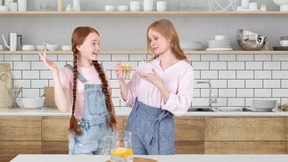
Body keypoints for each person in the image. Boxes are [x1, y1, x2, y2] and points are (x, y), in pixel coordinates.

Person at [114, 19, 194, 155]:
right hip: (136, 122)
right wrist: (121, 80)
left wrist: (159, 85)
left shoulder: (184, 69)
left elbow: (182, 107)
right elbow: (130, 99)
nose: (152, 43)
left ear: (170, 36)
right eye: (150, 40)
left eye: (156, 38)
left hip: (161, 126)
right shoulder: (145, 65)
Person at [38, 26, 117, 155]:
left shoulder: (102, 69)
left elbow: (110, 105)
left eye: (99, 43)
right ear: (79, 46)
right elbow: (63, 107)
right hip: (82, 138)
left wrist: (115, 134)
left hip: (106, 137)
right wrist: (54, 73)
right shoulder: (67, 72)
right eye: (93, 43)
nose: (98, 48)